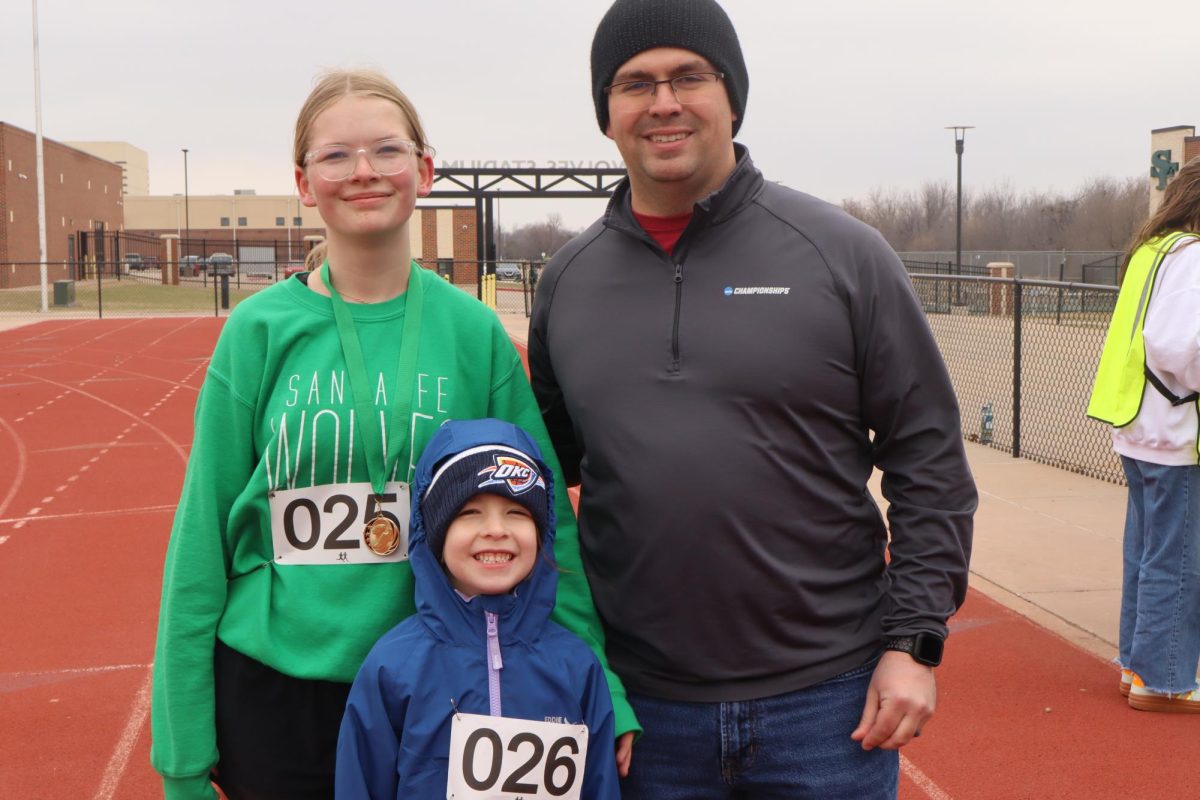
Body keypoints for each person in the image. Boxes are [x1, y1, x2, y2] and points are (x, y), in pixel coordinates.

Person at [528, 0, 977, 796]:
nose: (663, 102)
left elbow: (929, 454)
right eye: (635, 84)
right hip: (641, 710)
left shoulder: (842, 254)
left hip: (827, 705)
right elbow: (549, 483)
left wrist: (914, 642)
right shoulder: (568, 280)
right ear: (607, 114)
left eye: (688, 77)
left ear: (731, 97)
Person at [150, 70, 636, 800]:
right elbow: (200, 544)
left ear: (425, 170)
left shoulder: (472, 333)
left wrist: (600, 680)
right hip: (277, 694)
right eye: (336, 156)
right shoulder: (257, 332)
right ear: (304, 183)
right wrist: (181, 749)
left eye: (386, 150)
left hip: (437, 687)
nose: (365, 172)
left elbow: (549, 526)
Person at [335, 418, 620, 798]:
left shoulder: (577, 666)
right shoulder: (392, 666)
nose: (496, 530)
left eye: (517, 513)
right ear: (434, 534)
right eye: (469, 512)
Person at [1087, 156, 1200, 713]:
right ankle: (1164, 679)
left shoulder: (1154, 251)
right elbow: (1180, 347)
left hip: (1140, 426)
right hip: (1175, 432)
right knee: (1178, 558)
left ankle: (1140, 664)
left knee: (1148, 551)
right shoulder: (1194, 257)